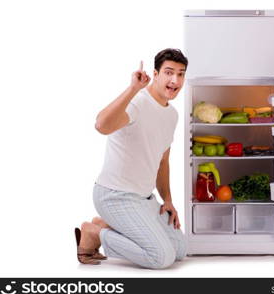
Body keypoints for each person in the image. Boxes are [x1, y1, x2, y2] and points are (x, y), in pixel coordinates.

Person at [74, 48, 188, 269]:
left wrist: (168, 200)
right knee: (161, 257)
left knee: (180, 250)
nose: (175, 80)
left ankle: (106, 223)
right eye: (169, 72)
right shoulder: (137, 102)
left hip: (143, 199)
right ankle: (95, 233)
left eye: (181, 74)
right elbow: (101, 125)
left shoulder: (171, 115)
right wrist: (133, 88)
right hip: (115, 195)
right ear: (155, 74)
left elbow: (162, 162)